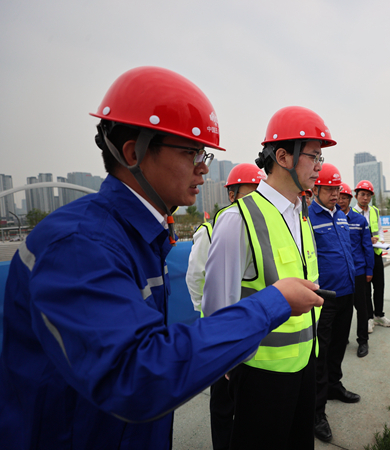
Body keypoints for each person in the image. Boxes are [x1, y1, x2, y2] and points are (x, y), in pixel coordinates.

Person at [0, 67, 322, 450]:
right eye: (190, 152)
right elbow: (136, 378)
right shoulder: (76, 245)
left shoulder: (140, 238)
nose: (203, 167)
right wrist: (273, 303)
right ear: (134, 152)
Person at [203, 105, 334, 450]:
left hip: (305, 363)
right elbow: (217, 309)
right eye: (314, 158)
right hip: (260, 377)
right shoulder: (238, 220)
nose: (319, 168)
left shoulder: (300, 214)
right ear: (283, 157)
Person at [185, 162, 264, 450]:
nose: (257, 196)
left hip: (250, 329)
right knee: (222, 401)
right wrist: (206, 317)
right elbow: (195, 276)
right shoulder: (213, 228)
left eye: (260, 190)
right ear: (232, 194)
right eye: (250, 190)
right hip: (221, 330)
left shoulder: (262, 228)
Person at [308, 166, 361, 443]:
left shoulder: (341, 216)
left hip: (347, 291)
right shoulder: (308, 218)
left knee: (339, 344)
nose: (334, 195)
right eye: (329, 189)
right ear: (316, 190)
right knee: (321, 352)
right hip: (324, 298)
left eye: (337, 190)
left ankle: (334, 385)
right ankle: (316, 410)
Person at [338, 182, 374, 358]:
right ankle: (342, 339)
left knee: (362, 308)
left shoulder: (360, 220)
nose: (341, 200)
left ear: (350, 199)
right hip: (341, 274)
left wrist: (369, 270)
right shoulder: (332, 219)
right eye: (339, 197)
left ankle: (363, 341)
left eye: (345, 197)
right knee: (343, 309)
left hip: (358, 272)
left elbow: (367, 247)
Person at [353, 180, 390, 331]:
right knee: (365, 290)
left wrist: (381, 241)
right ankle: (369, 318)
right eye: (363, 194)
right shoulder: (351, 214)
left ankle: (379, 315)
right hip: (361, 256)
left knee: (379, 286)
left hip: (376, 253)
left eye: (368, 195)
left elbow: (380, 230)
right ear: (356, 196)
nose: (365, 198)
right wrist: (367, 240)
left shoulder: (375, 211)